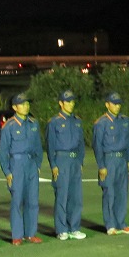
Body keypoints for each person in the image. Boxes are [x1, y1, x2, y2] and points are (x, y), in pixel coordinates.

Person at [0, 92, 44, 245]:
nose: (26, 106)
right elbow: (3, 152)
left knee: (32, 200)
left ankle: (31, 233)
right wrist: (7, 171)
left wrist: (38, 165)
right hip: (16, 165)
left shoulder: (33, 123)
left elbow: (38, 146)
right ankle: (17, 235)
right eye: (23, 104)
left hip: (31, 164)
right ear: (14, 107)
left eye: (27, 103)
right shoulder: (8, 126)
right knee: (17, 201)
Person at [92, 92, 129, 235]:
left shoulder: (124, 120)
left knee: (122, 192)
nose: (117, 106)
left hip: (122, 160)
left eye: (119, 104)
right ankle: (110, 225)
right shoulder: (101, 123)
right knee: (109, 192)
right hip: (109, 160)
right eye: (114, 103)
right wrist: (101, 166)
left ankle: (121, 223)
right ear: (107, 104)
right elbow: (97, 146)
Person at [46, 90, 86, 240]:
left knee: (76, 197)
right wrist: (53, 165)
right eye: (68, 102)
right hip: (61, 160)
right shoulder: (54, 122)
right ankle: (61, 229)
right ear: (61, 103)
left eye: (72, 102)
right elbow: (50, 145)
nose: (71, 104)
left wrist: (80, 161)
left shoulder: (77, 121)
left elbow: (81, 143)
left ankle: (74, 227)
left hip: (75, 161)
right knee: (62, 196)